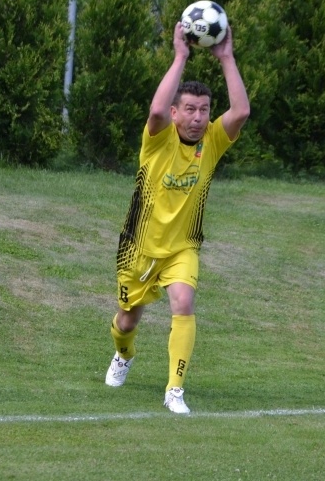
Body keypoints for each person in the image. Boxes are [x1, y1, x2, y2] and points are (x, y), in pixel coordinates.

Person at [104, 21, 250, 414]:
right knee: (127, 321)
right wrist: (181, 55)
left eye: (204, 110)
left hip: (182, 248)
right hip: (137, 248)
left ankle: (174, 390)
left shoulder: (213, 142)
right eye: (190, 109)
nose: (199, 117)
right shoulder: (158, 138)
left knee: (183, 303)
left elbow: (241, 110)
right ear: (175, 112)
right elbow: (154, 109)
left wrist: (227, 57)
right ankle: (123, 356)